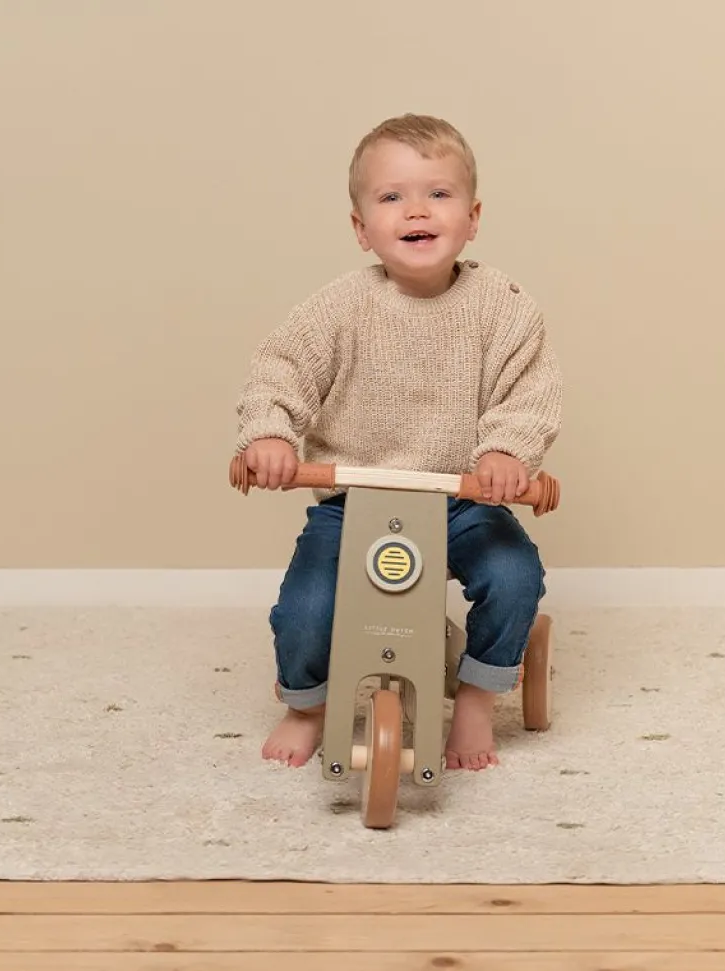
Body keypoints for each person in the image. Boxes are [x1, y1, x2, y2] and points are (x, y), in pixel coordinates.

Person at [233, 113, 562, 771]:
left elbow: (528, 391)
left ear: (472, 218)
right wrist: (269, 434)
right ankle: (306, 705)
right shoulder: (339, 308)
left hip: (462, 499)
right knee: (306, 606)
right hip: (354, 500)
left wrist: (506, 452)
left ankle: (476, 697)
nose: (416, 210)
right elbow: (281, 370)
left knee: (514, 573)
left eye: (438, 193)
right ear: (362, 228)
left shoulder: (504, 307)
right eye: (392, 197)